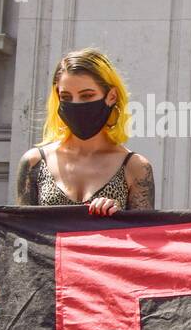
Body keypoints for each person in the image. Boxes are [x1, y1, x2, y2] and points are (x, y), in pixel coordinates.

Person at [13, 48, 155, 214]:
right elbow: (20, 232)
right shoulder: (34, 162)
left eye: (86, 96)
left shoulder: (135, 167)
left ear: (111, 97)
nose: (76, 104)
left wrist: (118, 218)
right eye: (66, 97)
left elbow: (144, 234)